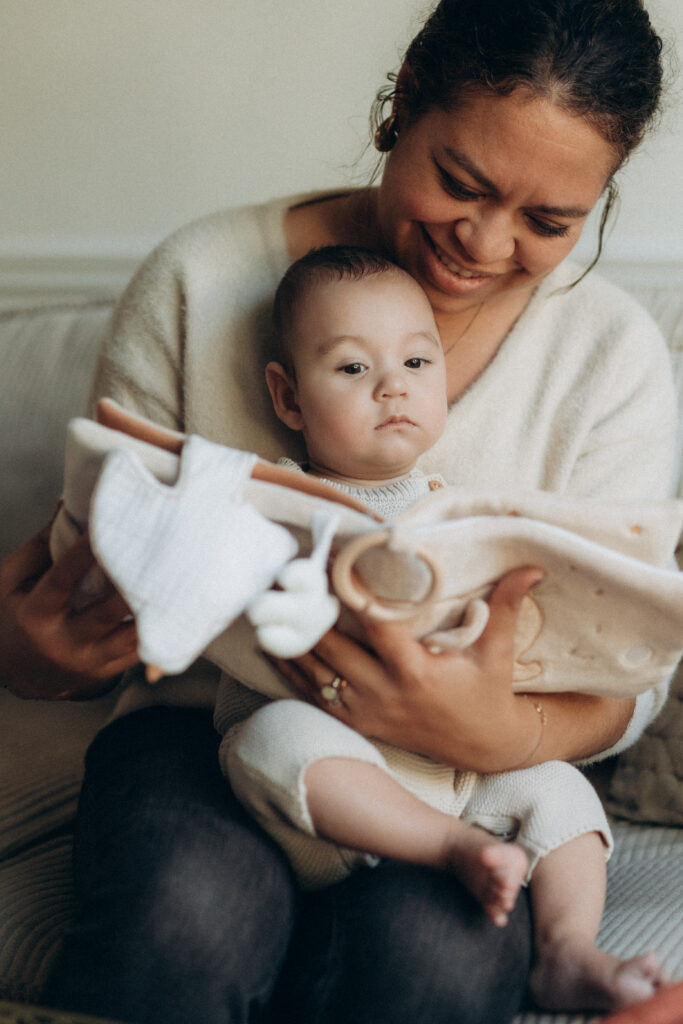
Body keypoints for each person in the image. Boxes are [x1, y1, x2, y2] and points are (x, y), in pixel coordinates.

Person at [0, 1, 676, 1022]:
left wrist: (494, 725)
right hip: (205, 734)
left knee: (436, 967)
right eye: (462, 182)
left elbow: (630, 677)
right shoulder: (202, 280)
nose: (484, 242)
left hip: (462, 766)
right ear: (403, 100)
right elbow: (95, 574)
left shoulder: (609, 359)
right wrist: (33, 651)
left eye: (548, 221)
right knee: (184, 919)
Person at [219, 242, 665, 1011]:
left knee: (558, 788)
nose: (392, 386)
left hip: (459, 774)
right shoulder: (272, 498)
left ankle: (566, 950)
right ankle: (452, 850)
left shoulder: (467, 514)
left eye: (417, 365)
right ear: (289, 399)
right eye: (354, 369)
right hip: (326, 789)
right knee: (270, 736)